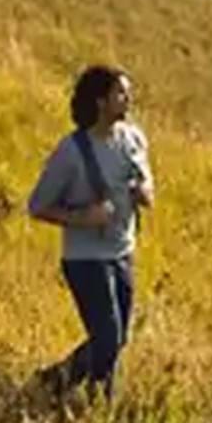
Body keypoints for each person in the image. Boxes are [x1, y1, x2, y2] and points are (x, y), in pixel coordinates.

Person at [27, 65, 152, 397]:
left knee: (117, 338)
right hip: (85, 258)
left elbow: (148, 187)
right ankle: (98, 401)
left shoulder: (134, 139)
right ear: (100, 101)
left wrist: (144, 194)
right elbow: (37, 206)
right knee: (108, 338)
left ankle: (55, 381)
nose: (129, 99)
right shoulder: (71, 151)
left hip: (123, 251)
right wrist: (83, 218)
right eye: (121, 93)